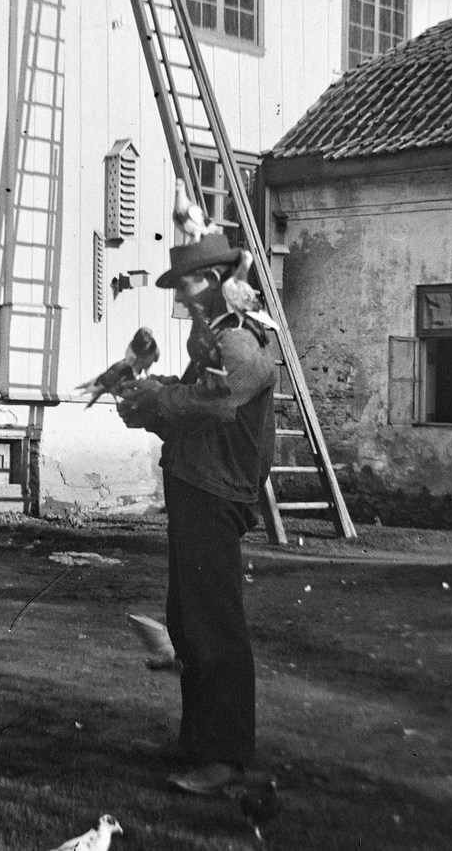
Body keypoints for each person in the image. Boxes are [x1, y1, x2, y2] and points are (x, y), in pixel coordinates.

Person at [117, 232, 278, 796]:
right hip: (197, 485)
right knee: (188, 621)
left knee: (214, 624)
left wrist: (158, 400)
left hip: (217, 493)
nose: (179, 298)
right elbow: (195, 405)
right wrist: (149, 403)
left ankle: (226, 758)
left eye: (183, 285)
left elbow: (223, 400)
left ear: (210, 281)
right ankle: (198, 743)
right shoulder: (212, 339)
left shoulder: (239, 339)